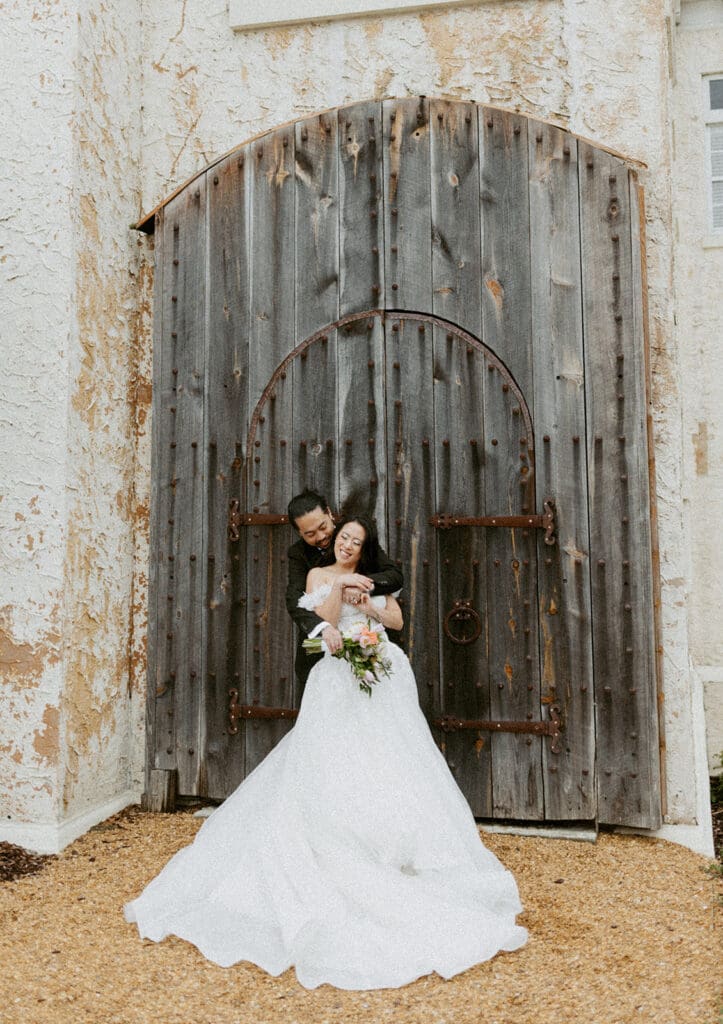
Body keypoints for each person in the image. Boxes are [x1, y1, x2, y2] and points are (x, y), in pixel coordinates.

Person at [124, 513, 527, 990]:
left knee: (391, 756)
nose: (345, 545)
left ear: (363, 548)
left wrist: (370, 603)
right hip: (336, 675)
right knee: (331, 755)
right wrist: (342, 591)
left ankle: (395, 840)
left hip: (381, 669)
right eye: (342, 539)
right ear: (333, 541)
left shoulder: (378, 575)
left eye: (354, 542)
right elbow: (325, 621)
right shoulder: (318, 576)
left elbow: (397, 618)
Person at [285, 488, 403, 689]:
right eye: (310, 534)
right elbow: (294, 599)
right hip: (322, 645)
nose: (321, 536)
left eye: (323, 527)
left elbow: (394, 576)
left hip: (371, 644)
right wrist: (324, 628)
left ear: (329, 513)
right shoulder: (298, 554)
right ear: (299, 532)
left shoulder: (353, 532)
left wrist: (359, 587)